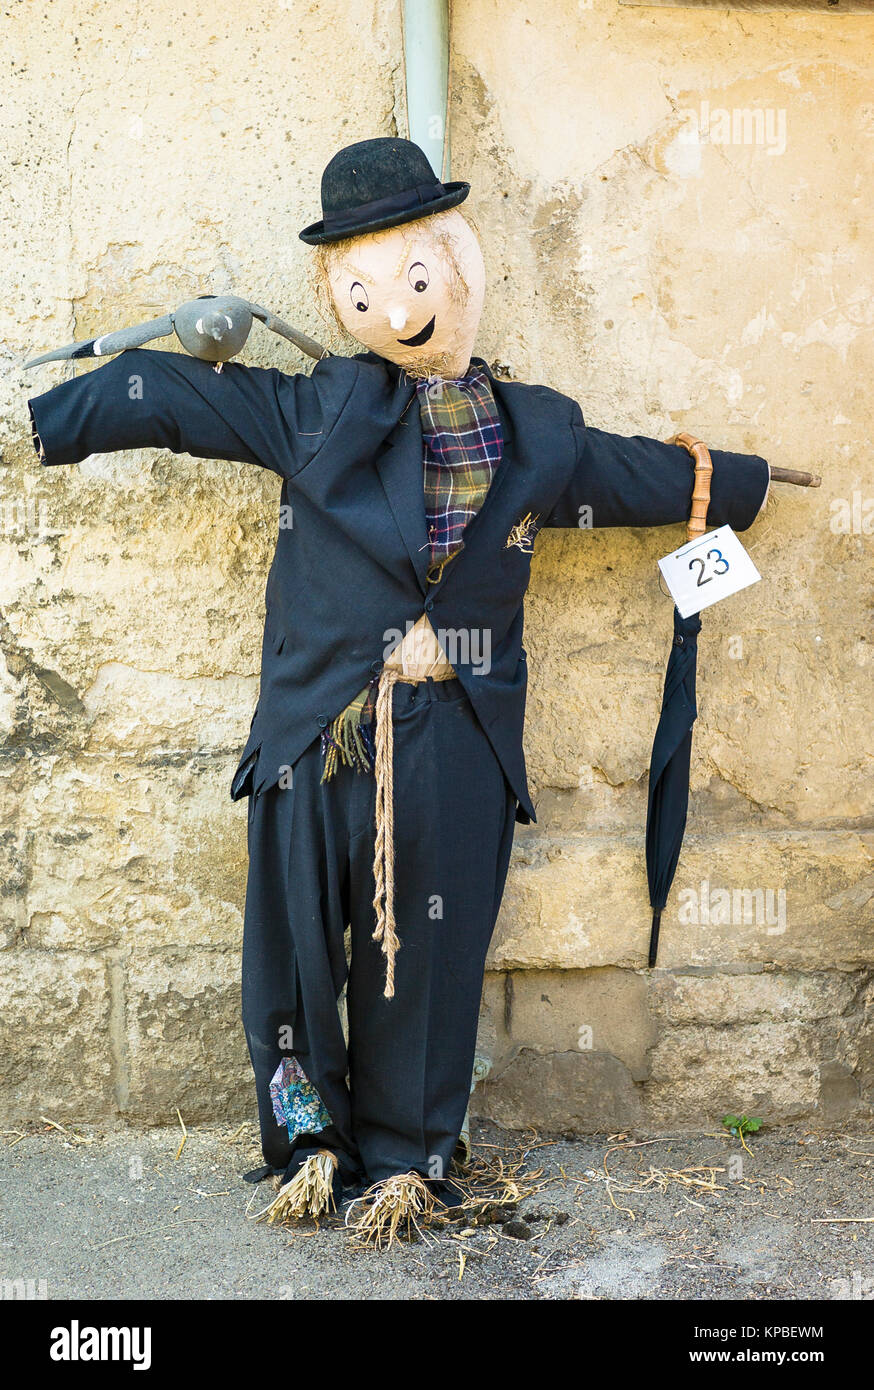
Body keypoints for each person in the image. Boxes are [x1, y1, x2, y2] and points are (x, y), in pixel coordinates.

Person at [26, 137, 770, 1236]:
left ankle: (405, 1155)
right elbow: (175, 399)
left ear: (456, 270)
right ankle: (308, 1140)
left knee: (430, 944)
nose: (399, 306)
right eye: (367, 289)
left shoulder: (540, 434)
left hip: (453, 729)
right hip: (314, 724)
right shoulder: (312, 413)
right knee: (289, 938)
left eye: (416, 279)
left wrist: (737, 484)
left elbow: (633, 473)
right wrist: (52, 417)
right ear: (340, 296)